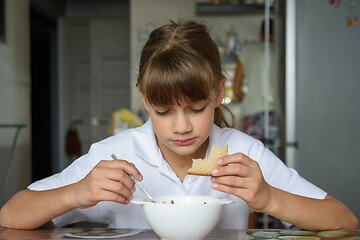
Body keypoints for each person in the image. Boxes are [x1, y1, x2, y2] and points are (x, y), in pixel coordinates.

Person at [0, 20, 357, 230]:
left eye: (196, 108)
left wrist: (268, 197)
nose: (182, 127)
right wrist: (74, 193)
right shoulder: (114, 155)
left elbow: (344, 220)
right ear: (144, 100)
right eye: (164, 111)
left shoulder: (243, 152)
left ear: (219, 93)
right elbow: (10, 215)